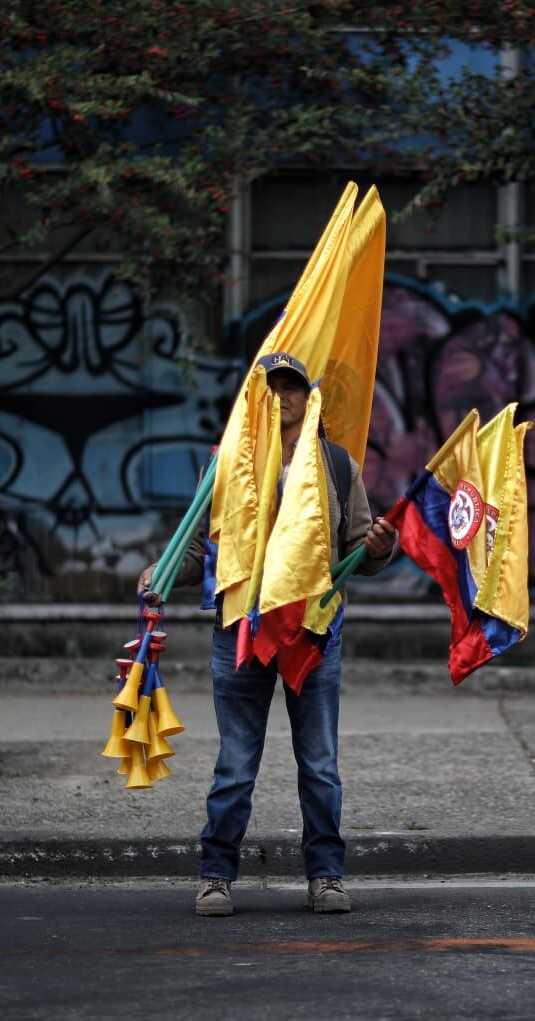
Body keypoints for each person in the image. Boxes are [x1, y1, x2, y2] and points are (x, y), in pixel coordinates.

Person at [138, 352, 397, 917]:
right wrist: (163, 574)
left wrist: (381, 548)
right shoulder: (228, 464)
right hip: (239, 631)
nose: (282, 396)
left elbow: (357, 547)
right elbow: (205, 550)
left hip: (313, 631)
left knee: (321, 763)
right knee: (235, 763)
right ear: (256, 397)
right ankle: (215, 877)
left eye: (293, 387)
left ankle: (326, 877)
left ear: (310, 397)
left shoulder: (336, 464)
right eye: (272, 387)